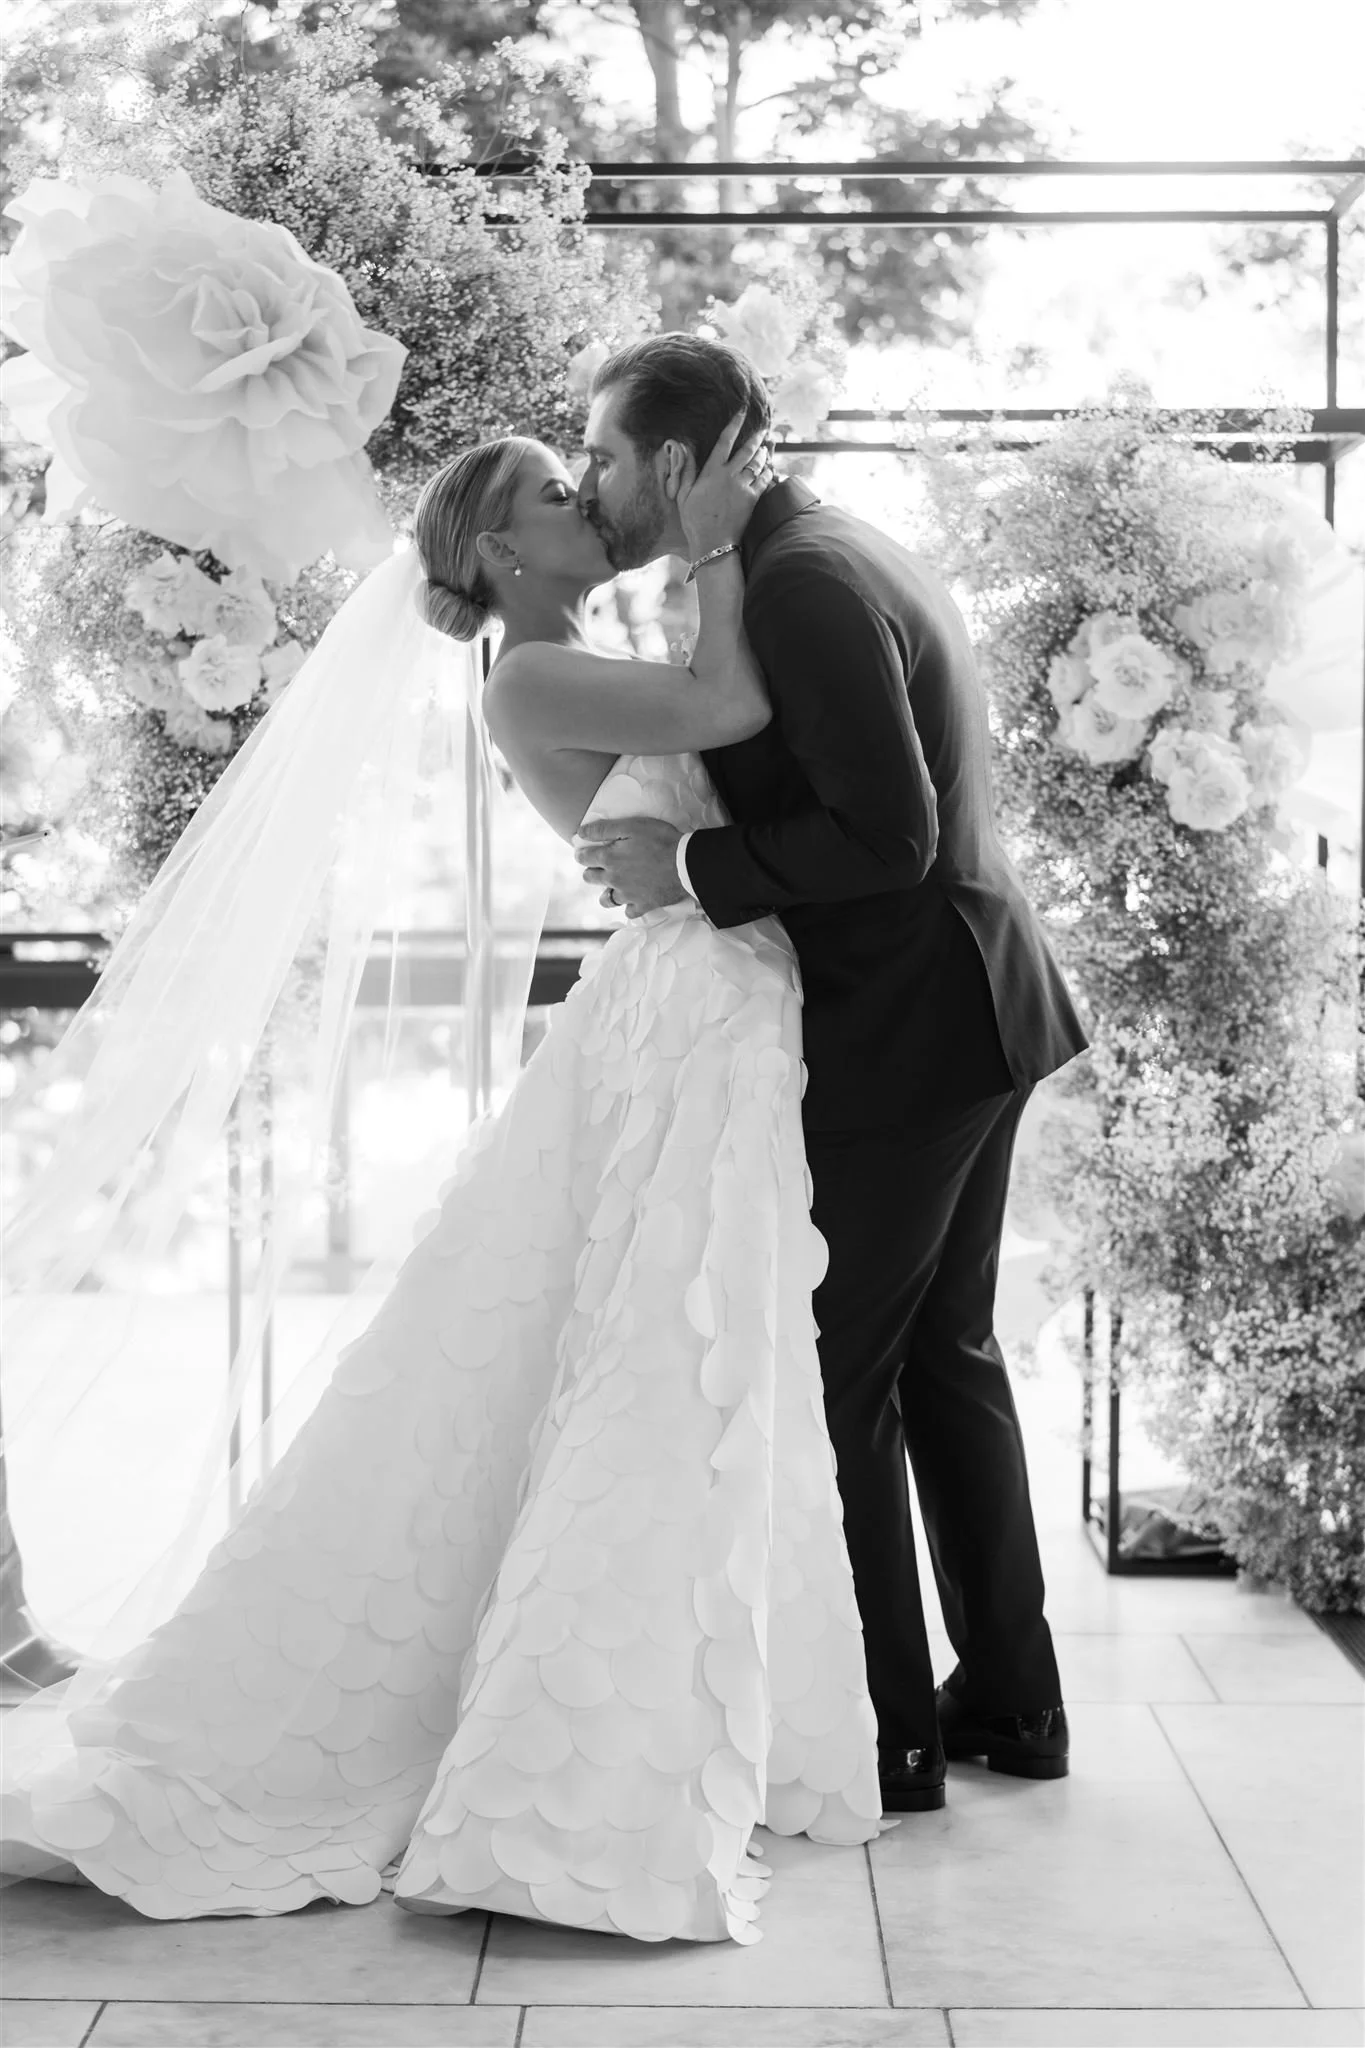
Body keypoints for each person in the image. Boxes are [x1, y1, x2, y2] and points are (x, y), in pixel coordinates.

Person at [0, 417, 887, 1945]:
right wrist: (728, 530)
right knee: (661, 1353)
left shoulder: (591, 640)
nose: (583, 506)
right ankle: (582, 1737)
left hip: (708, 988)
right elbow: (728, 704)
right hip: (689, 994)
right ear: (497, 552)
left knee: (684, 1343)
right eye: (558, 494)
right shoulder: (533, 673)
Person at [576, 333, 1088, 1810]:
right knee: (945, 1358)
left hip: (917, 1026)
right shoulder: (822, 546)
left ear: (673, 463)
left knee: (839, 1369)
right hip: (972, 1010)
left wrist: (685, 866)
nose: (595, 482)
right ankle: (1011, 1704)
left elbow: (889, 836)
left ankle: (892, 1737)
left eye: (604, 456)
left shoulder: (800, 584)